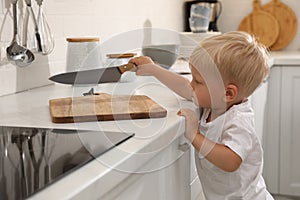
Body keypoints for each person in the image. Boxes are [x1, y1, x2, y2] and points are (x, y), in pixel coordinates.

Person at [129, 31, 274, 200]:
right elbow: (185, 88)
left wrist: (194, 135)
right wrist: (154, 69)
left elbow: (231, 160)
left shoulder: (239, 120)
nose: (192, 84)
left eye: (198, 81)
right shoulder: (215, 102)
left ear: (228, 93)